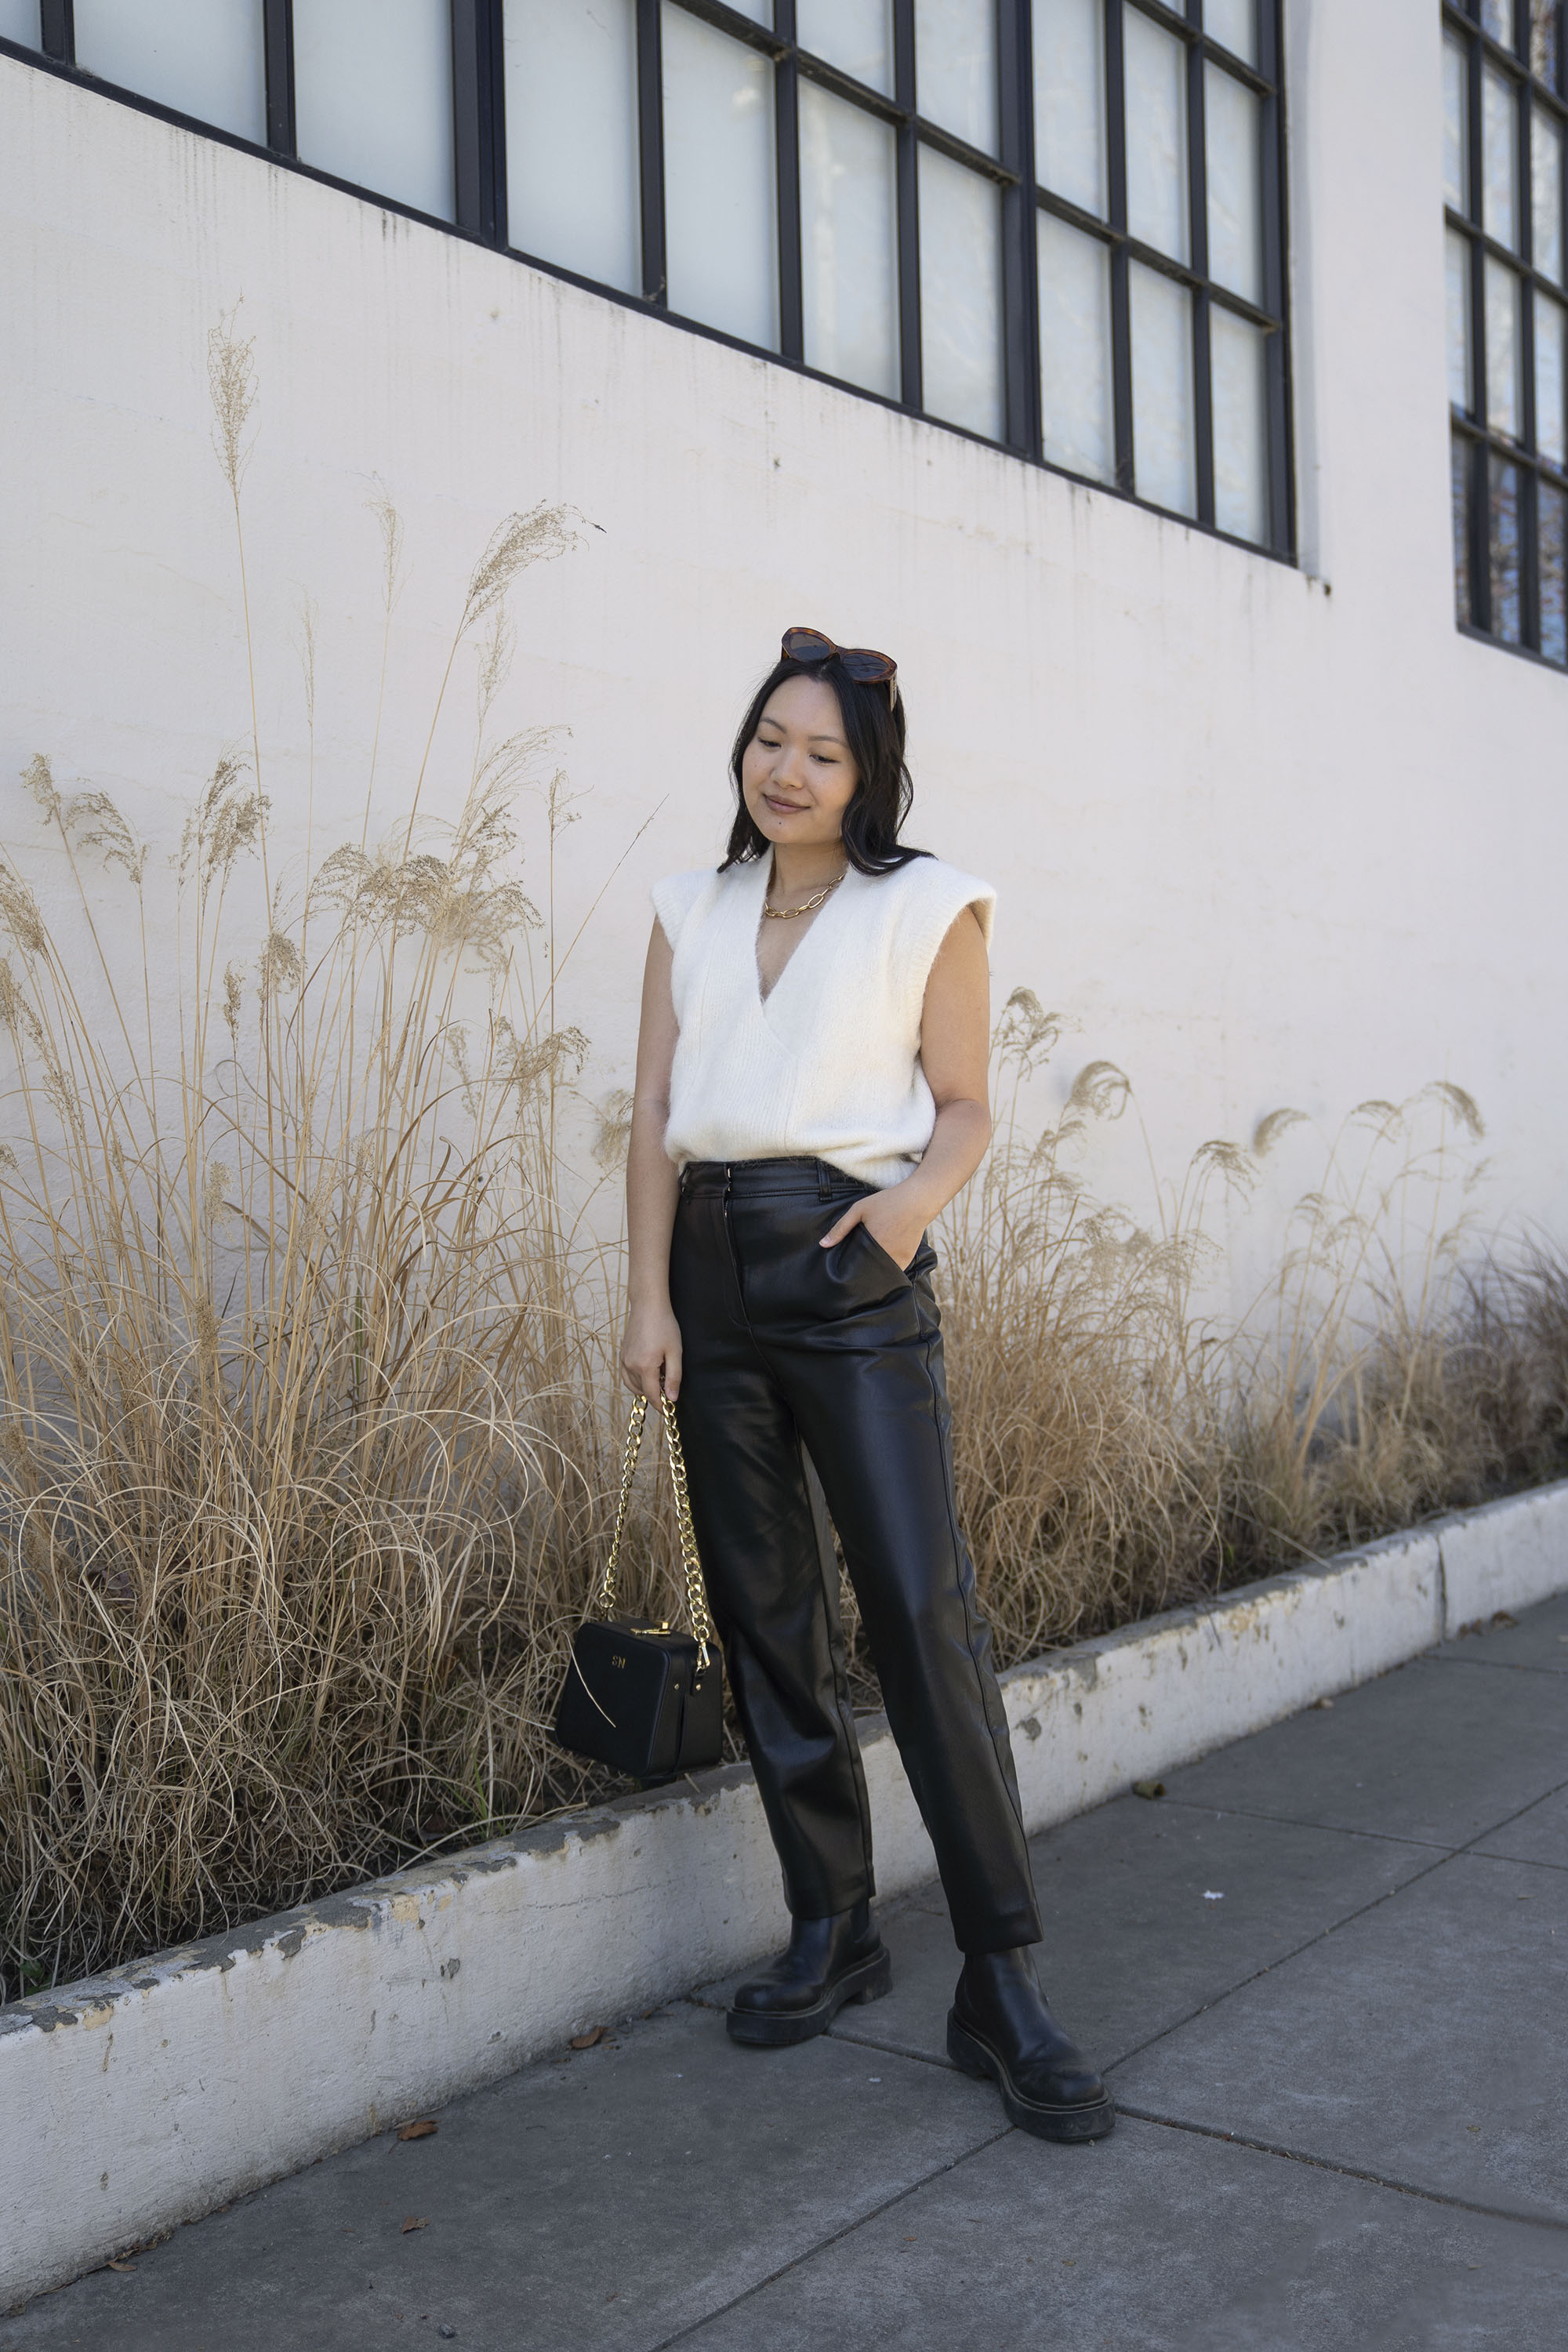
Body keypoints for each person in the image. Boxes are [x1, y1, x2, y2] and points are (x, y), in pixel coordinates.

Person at [620, 626, 1112, 2144]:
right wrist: (646, 1297)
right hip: (711, 1274)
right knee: (768, 1621)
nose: (787, 770)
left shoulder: (926, 905)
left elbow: (964, 1110)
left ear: (866, 773)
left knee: (918, 1611)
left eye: (821, 753)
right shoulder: (690, 908)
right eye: (770, 739)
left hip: (850, 1268)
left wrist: (897, 1220)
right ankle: (831, 1925)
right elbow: (654, 1111)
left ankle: (1000, 1978)